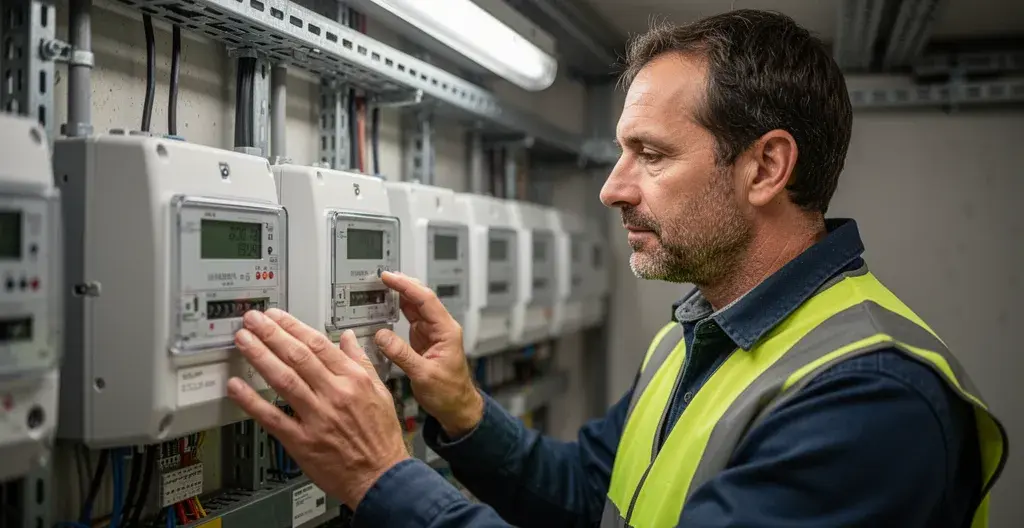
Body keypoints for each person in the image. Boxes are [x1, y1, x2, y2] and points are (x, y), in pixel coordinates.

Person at [225, 9, 1008, 528]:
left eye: (652, 155)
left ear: (765, 167)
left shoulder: (873, 402)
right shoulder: (698, 335)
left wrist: (382, 477)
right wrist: (465, 412)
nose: (611, 187)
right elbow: (593, 497)